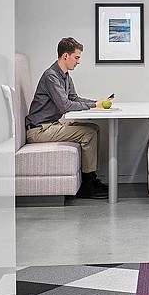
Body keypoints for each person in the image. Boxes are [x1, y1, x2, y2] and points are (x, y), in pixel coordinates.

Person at [26, 37, 111, 199]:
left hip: (51, 125)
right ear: (65, 56)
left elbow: (75, 99)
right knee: (88, 134)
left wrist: (97, 103)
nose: (78, 62)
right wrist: (94, 106)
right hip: (39, 130)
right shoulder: (51, 76)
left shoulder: (66, 77)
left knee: (94, 128)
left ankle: (91, 178)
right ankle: (87, 186)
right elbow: (66, 106)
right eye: (76, 57)